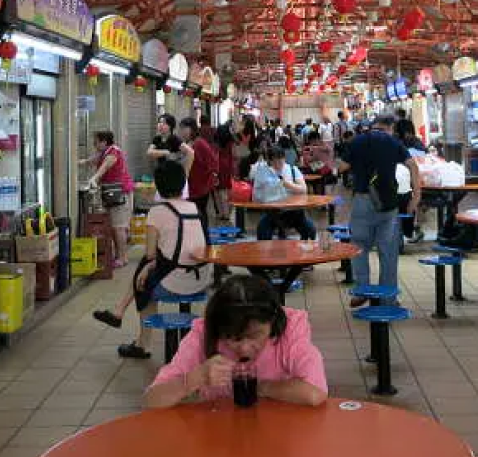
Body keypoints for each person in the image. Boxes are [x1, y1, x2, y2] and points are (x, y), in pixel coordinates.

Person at [144, 274, 327, 408]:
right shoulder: (203, 333)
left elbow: (314, 393)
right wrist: (194, 378)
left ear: (272, 323)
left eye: (255, 335)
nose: (245, 349)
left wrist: (260, 387)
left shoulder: (290, 328)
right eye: (233, 338)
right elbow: (151, 399)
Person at [95, 159, 209, 359]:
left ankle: (142, 343)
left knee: (144, 282)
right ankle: (119, 313)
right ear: (183, 183)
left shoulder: (157, 212)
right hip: (202, 279)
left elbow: (150, 254)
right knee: (145, 272)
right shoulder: (196, 209)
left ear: (158, 185)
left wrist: (150, 266)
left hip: (176, 282)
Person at [337, 115, 420, 303]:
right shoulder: (393, 142)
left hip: (363, 200)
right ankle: (388, 297)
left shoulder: (357, 141)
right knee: (388, 250)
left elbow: (342, 167)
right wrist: (416, 196)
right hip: (388, 203)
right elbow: (413, 166)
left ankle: (362, 291)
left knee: (358, 247)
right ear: (390, 127)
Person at [86, 131, 134, 270]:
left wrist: (94, 178)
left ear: (104, 142)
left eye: (96, 142)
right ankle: (118, 255)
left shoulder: (113, 152)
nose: (94, 145)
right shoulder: (104, 153)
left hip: (120, 194)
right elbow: (91, 161)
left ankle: (122, 258)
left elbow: (105, 166)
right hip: (112, 194)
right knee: (114, 227)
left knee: (119, 227)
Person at [256, 145, 316, 241]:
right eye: (273, 161)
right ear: (269, 161)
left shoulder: (293, 170)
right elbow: (258, 195)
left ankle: (304, 252)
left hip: (294, 212)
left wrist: (287, 184)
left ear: (284, 158)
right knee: (262, 230)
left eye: (280, 160)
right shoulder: (265, 172)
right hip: (273, 213)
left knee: (310, 230)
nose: (277, 164)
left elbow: (304, 189)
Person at [180, 117, 219, 237]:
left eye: (184, 129)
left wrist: (211, 177)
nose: (181, 132)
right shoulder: (190, 143)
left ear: (191, 129)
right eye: (180, 129)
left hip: (201, 186)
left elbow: (213, 162)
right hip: (193, 185)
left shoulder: (199, 143)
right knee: (197, 214)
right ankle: (200, 239)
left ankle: (204, 240)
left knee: (199, 214)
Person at [213, 123, 236, 224]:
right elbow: (233, 155)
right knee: (225, 190)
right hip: (227, 165)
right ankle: (226, 214)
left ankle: (221, 213)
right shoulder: (230, 142)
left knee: (217, 190)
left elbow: (214, 154)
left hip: (218, 165)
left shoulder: (216, 142)